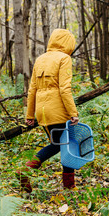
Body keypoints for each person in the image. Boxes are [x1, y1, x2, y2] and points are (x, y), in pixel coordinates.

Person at [17, 29, 79, 193]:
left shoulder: (41, 59)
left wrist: (30, 115)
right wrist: (73, 113)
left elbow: (32, 90)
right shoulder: (64, 58)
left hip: (42, 111)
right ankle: (27, 170)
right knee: (64, 145)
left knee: (62, 145)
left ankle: (68, 187)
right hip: (59, 110)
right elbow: (65, 89)